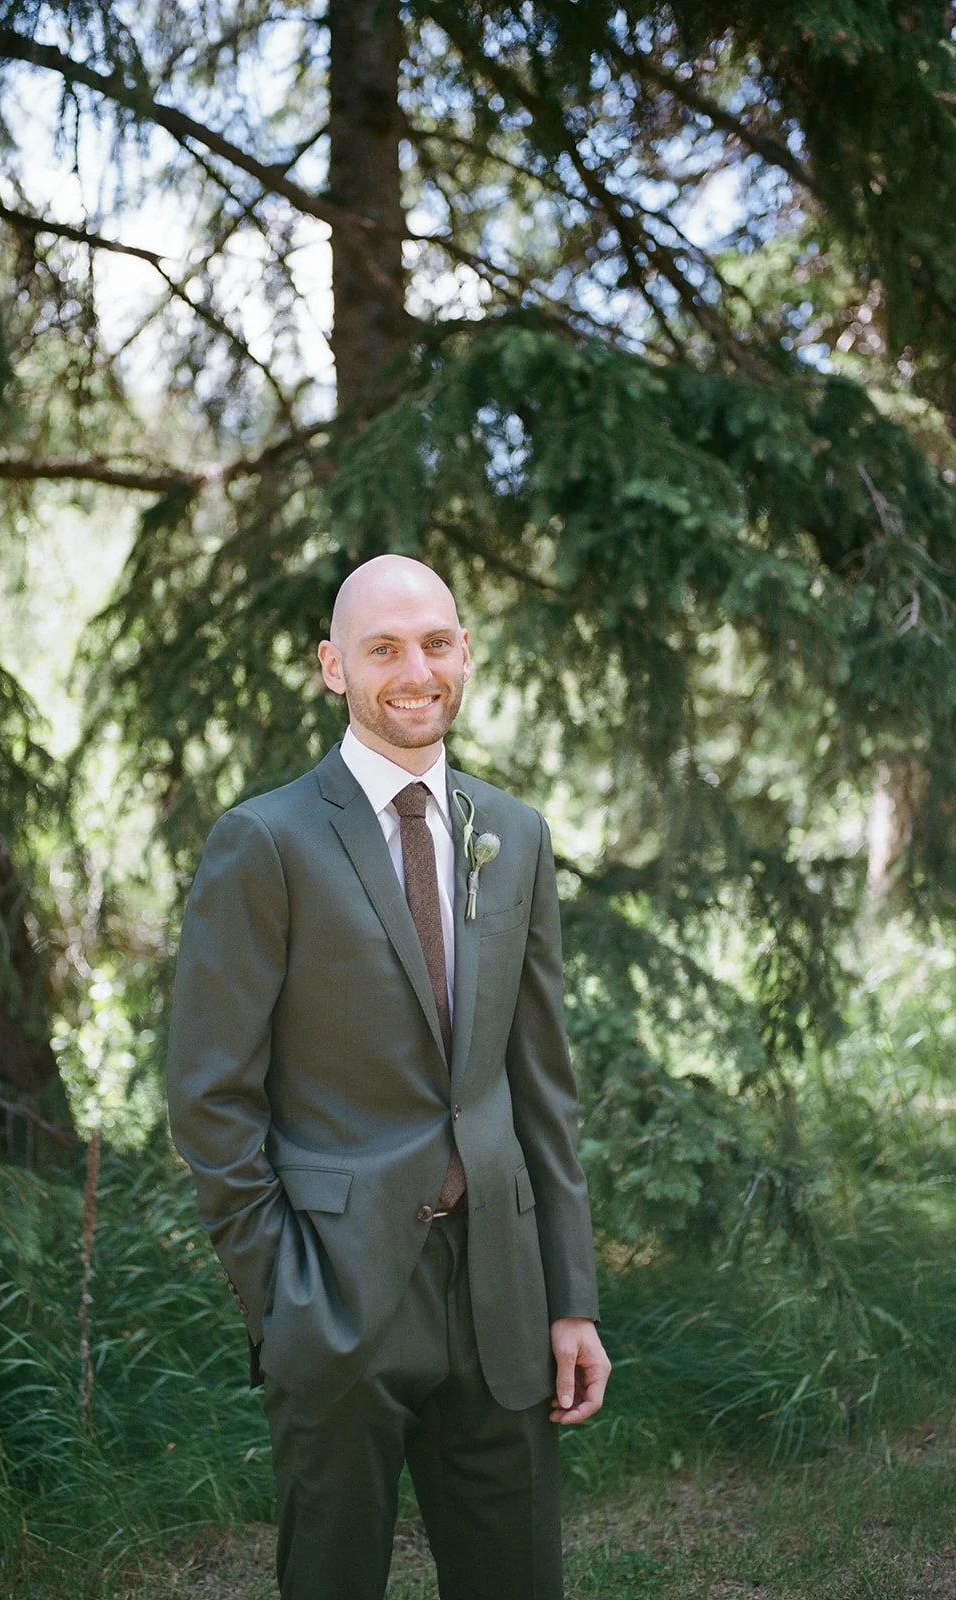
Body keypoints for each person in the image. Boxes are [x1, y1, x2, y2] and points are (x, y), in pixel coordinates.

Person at [166, 554, 610, 1600]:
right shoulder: (264, 841)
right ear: (334, 667)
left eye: (437, 642)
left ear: (464, 653)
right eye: (384, 647)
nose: (417, 670)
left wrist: (571, 1296)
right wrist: (282, 1299)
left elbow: (540, 1083)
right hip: (336, 1292)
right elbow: (210, 1096)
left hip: (501, 1290)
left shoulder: (515, 831)